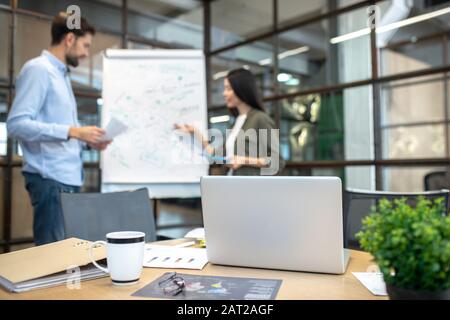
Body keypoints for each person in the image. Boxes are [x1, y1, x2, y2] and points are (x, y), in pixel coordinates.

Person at [7, 13, 111, 245]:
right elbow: (16, 124)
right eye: (85, 45)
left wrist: (87, 138)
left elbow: (62, 127)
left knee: (63, 256)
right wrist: (73, 131)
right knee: (52, 259)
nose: (86, 53)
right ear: (70, 39)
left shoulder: (61, 75)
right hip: (50, 179)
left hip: (65, 179)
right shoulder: (39, 69)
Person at [175, 68, 284, 176]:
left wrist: (244, 160)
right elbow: (215, 154)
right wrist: (195, 132)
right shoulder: (236, 122)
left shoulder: (260, 119)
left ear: (241, 89)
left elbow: (277, 162)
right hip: (233, 184)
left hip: (250, 189)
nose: (224, 93)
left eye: (228, 89)